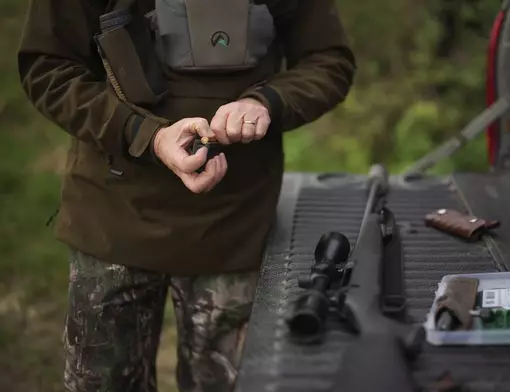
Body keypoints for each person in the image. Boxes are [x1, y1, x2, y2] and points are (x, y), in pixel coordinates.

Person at [17, 0, 355, 391]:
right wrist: (147, 135)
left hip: (235, 229)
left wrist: (266, 102)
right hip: (112, 222)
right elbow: (48, 66)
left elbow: (328, 60)